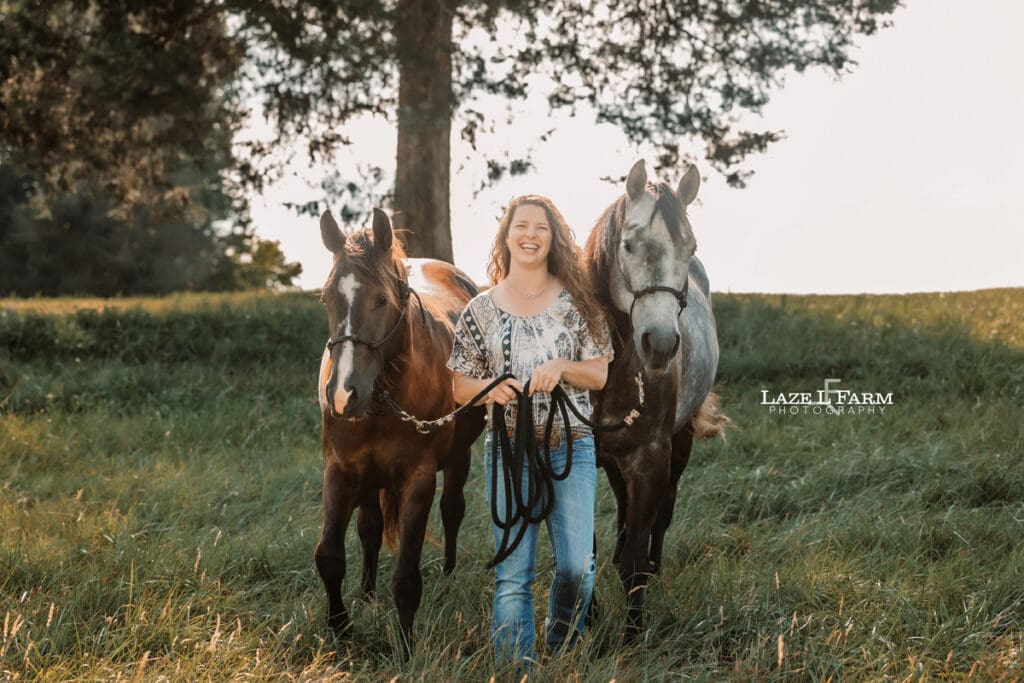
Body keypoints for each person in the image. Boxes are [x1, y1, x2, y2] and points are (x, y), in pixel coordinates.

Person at [447, 195, 612, 664]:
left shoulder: (579, 303)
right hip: (508, 448)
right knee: (513, 574)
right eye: (521, 226)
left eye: (541, 228)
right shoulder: (481, 308)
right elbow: (459, 384)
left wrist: (561, 366)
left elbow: (598, 373)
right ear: (506, 236)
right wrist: (489, 389)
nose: (530, 235)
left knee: (578, 567)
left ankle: (562, 647)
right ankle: (517, 668)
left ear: (554, 238)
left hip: (572, 446)